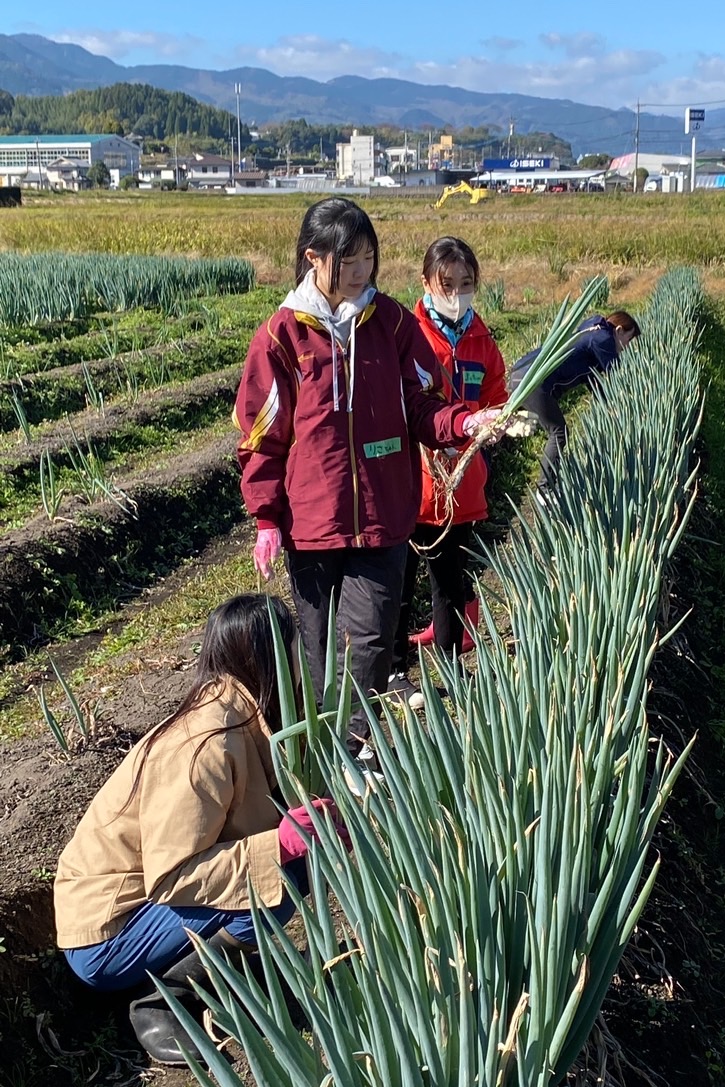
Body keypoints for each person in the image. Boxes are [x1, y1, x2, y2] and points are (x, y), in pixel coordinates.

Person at [233, 198, 503, 764]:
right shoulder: (283, 335)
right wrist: (265, 516)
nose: (362, 273)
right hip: (313, 520)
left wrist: (464, 421)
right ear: (314, 259)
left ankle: (355, 752)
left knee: (372, 641)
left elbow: (421, 403)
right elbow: (263, 432)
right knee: (316, 650)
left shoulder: (393, 324)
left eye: (369, 259)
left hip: (382, 515)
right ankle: (316, 761)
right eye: (349, 262)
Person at [53, 593, 349, 1066]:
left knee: (290, 871)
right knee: (275, 883)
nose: (303, 661)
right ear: (268, 658)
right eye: (294, 649)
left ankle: (224, 970)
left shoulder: (245, 715)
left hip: (146, 910)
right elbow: (172, 876)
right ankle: (161, 1001)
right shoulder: (203, 745)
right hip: (106, 934)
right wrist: (282, 842)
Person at [388, 237, 507, 706]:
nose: (457, 294)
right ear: (426, 284)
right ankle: (396, 670)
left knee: (452, 582)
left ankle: (451, 666)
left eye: (466, 284)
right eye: (447, 284)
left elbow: (497, 394)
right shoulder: (409, 336)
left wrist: (496, 422)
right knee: (400, 579)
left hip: (462, 485)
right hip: (413, 482)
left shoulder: (482, 340)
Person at [509, 310, 641, 495]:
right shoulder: (603, 339)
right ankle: (544, 490)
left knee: (553, 430)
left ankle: (547, 484)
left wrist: (609, 407)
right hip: (533, 383)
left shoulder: (592, 329)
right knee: (558, 432)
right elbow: (616, 375)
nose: (626, 347)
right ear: (619, 330)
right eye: (628, 340)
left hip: (522, 373)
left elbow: (593, 378)